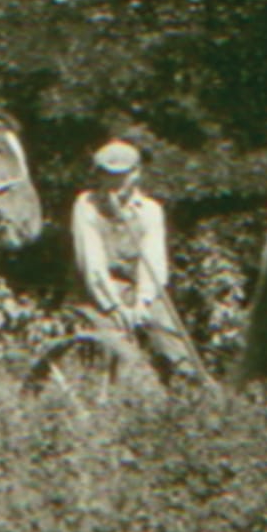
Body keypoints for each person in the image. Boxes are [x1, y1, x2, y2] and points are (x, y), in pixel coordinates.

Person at [70, 139, 205, 384]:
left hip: (141, 289)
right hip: (100, 292)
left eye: (123, 175)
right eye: (109, 175)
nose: (116, 183)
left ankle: (187, 390)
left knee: (173, 346)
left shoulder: (150, 210)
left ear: (137, 174)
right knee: (123, 353)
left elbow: (152, 262)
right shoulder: (86, 206)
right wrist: (115, 307)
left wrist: (142, 303)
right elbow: (93, 263)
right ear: (98, 175)